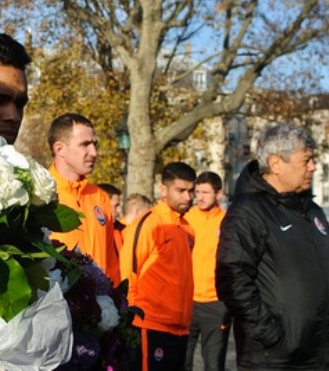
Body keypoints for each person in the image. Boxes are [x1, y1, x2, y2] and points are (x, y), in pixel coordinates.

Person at [216, 124, 329, 370]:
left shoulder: (311, 211)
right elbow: (232, 280)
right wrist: (271, 335)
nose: (313, 167)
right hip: (275, 358)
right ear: (276, 164)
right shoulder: (248, 212)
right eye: (306, 160)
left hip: (318, 354)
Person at [120, 162, 196, 371]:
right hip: (152, 325)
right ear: (163, 190)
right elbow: (129, 274)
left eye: (191, 191)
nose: (188, 197)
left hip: (181, 328)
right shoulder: (148, 225)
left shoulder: (187, 228)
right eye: (180, 191)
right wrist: (134, 317)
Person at [47, 113, 120, 284]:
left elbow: (111, 262)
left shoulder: (100, 197)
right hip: (56, 305)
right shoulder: (39, 195)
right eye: (85, 145)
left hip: (99, 305)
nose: (94, 152)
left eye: (95, 144)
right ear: (60, 149)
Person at [183, 172, 231, 371]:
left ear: (219, 193)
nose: (199, 197)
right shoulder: (186, 218)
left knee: (213, 363)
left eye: (205, 192)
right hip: (187, 302)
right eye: (197, 192)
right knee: (182, 361)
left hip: (216, 303)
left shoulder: (228, 221)